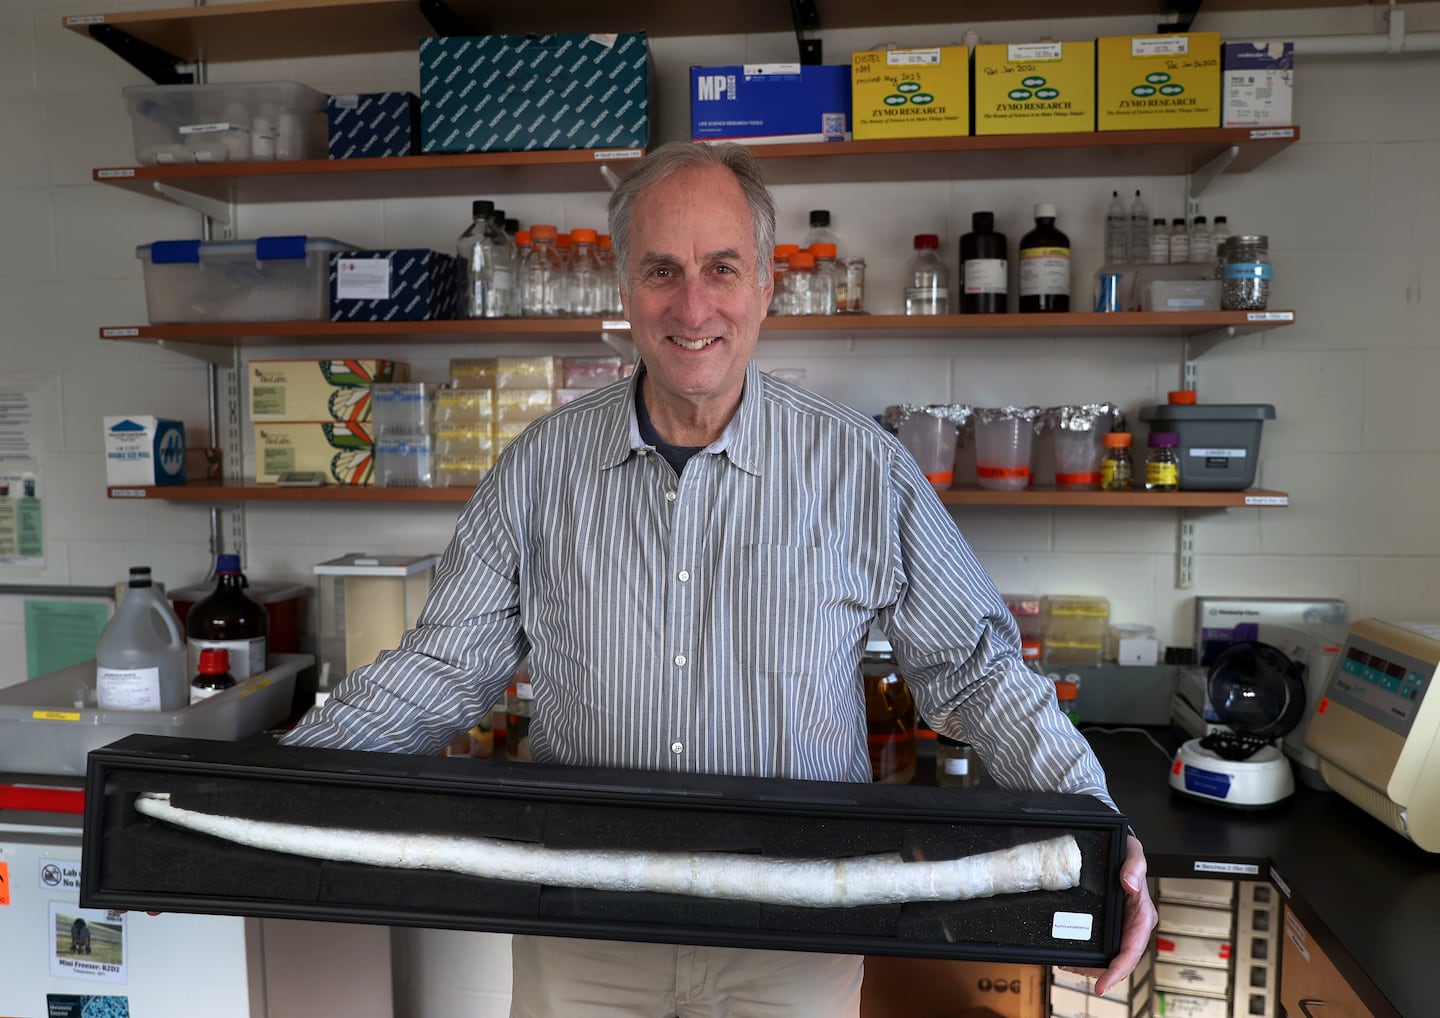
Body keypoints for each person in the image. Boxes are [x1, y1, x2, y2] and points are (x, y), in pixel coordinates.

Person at [282, 140, 1157, 1016]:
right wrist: (261, 791)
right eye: (662, 270)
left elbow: (974, 671)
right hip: (588, 934)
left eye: (721, 268)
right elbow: (441, 670)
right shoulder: (540, 468)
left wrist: (1094, 822)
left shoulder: (862, 468)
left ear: (765, 284)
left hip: (793, 939)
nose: (692, 304)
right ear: (624, 287)